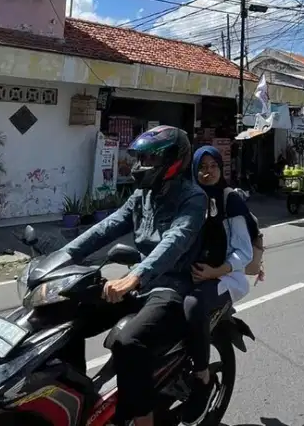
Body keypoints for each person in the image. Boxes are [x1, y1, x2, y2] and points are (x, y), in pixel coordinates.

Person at [61, 125, 206, 426]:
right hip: (138, 282)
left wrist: (136, 275)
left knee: (128, 342)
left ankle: (143, 418)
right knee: (65, 315)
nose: (142, 167)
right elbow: (108, 226)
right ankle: (76, 397)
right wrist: (64, 254)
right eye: (141, 160)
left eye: (151, 160)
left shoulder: (193, 198)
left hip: (170, 286)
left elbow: (175, 241)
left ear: (173, 161)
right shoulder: (142, 194)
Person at [178, 145, 256, 424]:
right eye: (201, 166)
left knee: (193, 305)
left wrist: (215, 272)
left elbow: (244, 252)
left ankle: (202, 375)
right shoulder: (190, 199)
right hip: (192, 273)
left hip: (225, 277)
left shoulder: (230, 200)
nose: (207, 171)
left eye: (212, 166)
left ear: (221, 169)